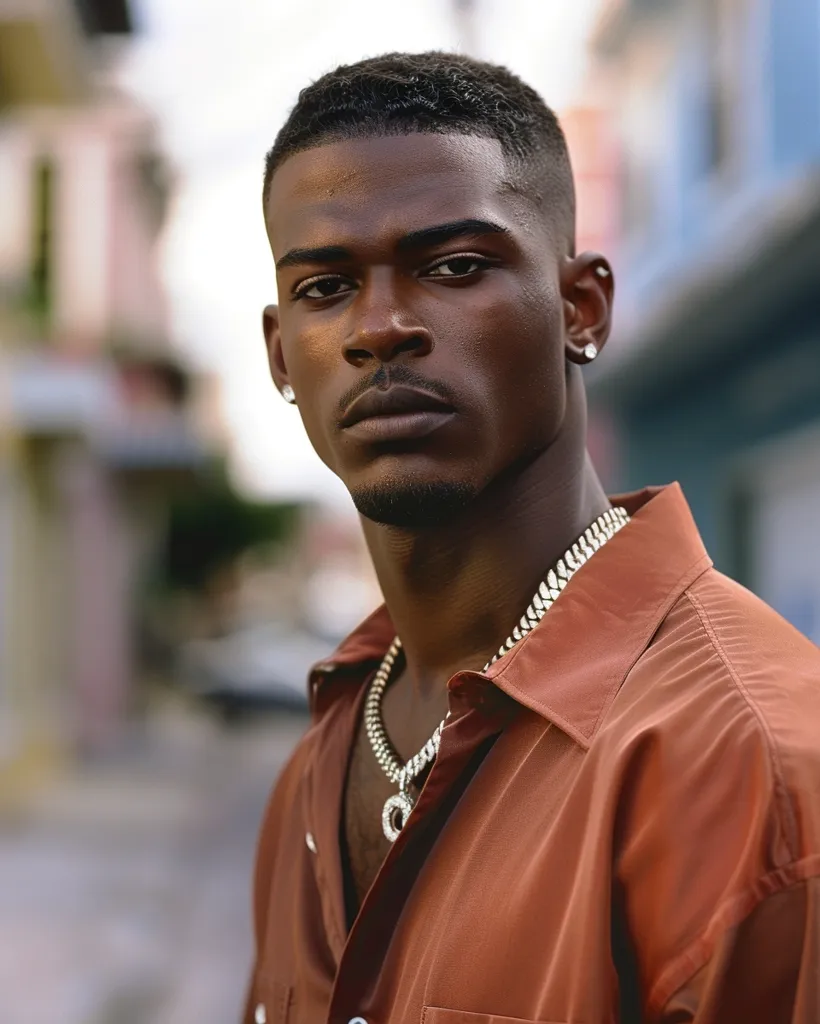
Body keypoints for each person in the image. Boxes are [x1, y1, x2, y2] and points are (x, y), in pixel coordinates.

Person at [245, 52, 820, 1024]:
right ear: (279, 355)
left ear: (580, 307)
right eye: (324, 287)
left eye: (454, 267)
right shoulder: (323, 753)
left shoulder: (750, 763)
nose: (379, 327)